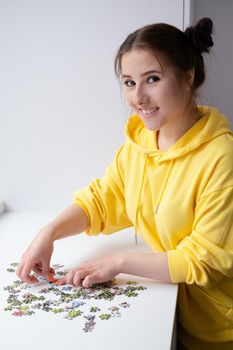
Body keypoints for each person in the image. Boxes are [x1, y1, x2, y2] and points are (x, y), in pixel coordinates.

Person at [16, 17, 233, 349]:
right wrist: (48, 233)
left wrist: (116, 263)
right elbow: (103, 200)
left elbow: (202, 260)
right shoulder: (141, 145)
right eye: (129, 83)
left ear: (188, 76)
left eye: (153, 79)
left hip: (218, 330)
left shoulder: (222, 156)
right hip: (171, 313)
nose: (138, 98)